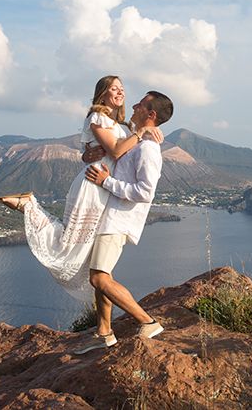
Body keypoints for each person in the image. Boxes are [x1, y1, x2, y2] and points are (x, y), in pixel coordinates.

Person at [0, 76, 162, 301]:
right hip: (94, 185)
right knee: (70, 242)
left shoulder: (122, 125)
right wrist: (141, 133)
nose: (120, 93)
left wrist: (145, 134)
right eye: (114, 88)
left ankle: (105, 329)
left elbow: (124, 151)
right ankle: (28, 206)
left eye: (122, 88)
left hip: (106, 191)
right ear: (102, 93)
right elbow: (114, 151)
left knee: (95, 259)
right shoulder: (98, 117)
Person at [72, 90, 174, 354]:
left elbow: (144, 192)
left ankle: (147, 321)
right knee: (103, 274)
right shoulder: (137, 141)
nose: (134, 105)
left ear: (150, 114)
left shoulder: (149, 150)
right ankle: (104, 333)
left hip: (118, 220)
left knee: (99, 278)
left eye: (140, 104)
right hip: (109, 216)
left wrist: (106, 181)